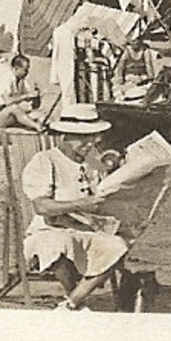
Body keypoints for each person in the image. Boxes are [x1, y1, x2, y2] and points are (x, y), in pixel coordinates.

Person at [20, 106, 129, 311]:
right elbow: (41, 207)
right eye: (83, 139)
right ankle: (75, 299)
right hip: (49, 230)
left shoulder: (92, 163)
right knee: (58, 243)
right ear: (66, 136)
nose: (91, 144)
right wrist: (80, 204)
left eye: (93, 137)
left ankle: (73, 302)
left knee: (119, 245)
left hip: (86, 229)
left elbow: (107, 184)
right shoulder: (46, 161)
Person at [0, 54, 45, 132]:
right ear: (16, 69)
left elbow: (30, 103)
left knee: (40, 114)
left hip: (14, 113)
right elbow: (8, 101)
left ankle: (38, 127)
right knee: (14, 107)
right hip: (0, 113)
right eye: (25, 70)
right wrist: (26, 96)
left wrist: (35, 97)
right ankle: (35, 126)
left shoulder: (21, 80)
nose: (27, 73)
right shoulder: (5, 78)